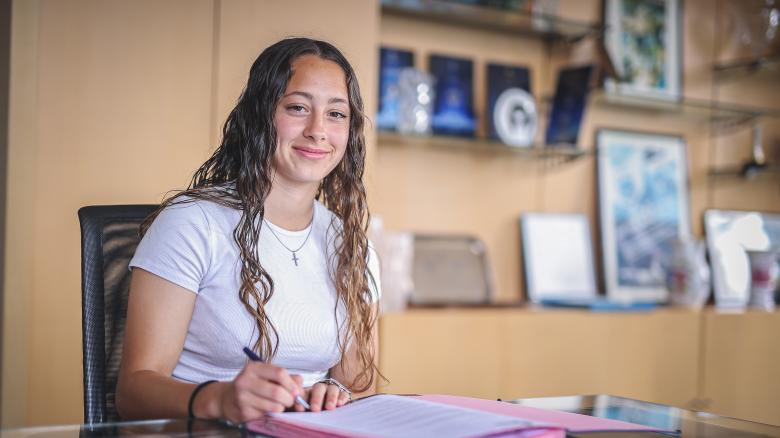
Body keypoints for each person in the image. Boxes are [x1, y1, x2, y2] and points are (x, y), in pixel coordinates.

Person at [115, 37, 381, 423]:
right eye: (298, 108)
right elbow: (134, 391)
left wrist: (335, 394)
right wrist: (220, 401)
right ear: (260, 114)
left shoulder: (353, 244)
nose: (318, 130)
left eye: (336, 114)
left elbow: (360, 389)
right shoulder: (193, 223)